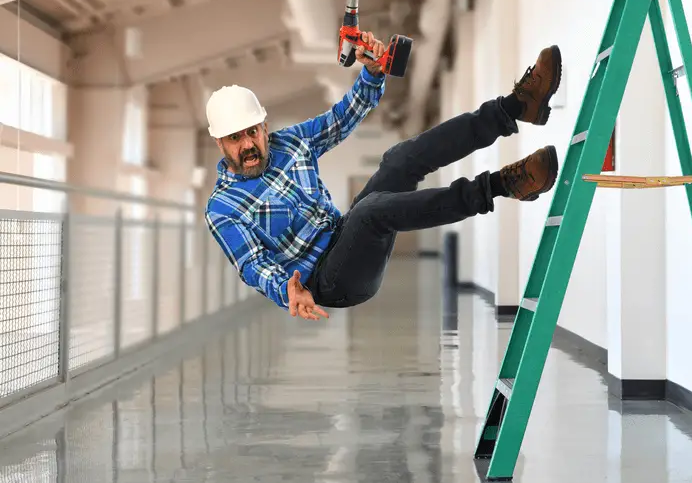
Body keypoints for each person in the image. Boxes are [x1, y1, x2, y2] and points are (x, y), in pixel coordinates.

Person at [204, 32, 562, 321]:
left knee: (401, 159)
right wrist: (287, 290)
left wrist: (372, 73)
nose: (247, 144)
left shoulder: (290, 143)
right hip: (330, 282)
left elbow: (341, 119)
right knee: (370, 210)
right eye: (235, 138)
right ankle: (501, 184)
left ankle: (516, 107)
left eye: (252, 132)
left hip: (345, 236)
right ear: (220, 142)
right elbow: (252, 264)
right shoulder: (222, 208)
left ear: (264, 126)